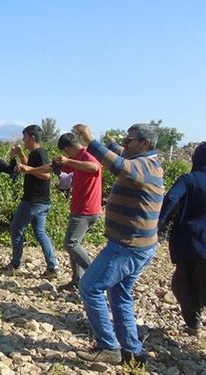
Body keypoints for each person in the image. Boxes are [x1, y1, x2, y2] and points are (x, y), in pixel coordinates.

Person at [73, 123, 164, 365]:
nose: (125, 144)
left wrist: (91, 140)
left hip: (128, 246)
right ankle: (133, 352)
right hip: (139, 245)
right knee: (120, 294)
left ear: (145, 143)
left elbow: (120, 165)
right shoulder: (146, 161)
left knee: (90, 287)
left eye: (130, 140)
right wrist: (112, 143)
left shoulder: (144, 166)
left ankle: (108, 346)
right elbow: (122, 157)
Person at [24, 133, 103, 290]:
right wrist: (31, 170)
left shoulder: (86, 155)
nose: (66, 156)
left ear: (68, 148)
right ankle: (77, 280)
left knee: (71, 243)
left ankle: (97, 276)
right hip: (80, 208)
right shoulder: (77, 158)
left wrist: (69, 161)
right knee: (74, 243)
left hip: (86, 209)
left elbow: (95, 167)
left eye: (66, 152)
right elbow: (53, 168)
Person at [158, 142, 206, 338]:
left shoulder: (189, 179)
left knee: (182, 283)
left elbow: (170, 199)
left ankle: (194, 324)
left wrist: (156, 224)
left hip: (190, 241)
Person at [0, 124, 59, 278]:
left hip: (33, 201)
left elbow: (46, 175)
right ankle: (52, 267)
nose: (23, 139)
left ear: (32, 137)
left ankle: (15, 265)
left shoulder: (39, 153)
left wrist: (29, 170)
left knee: (16, 229)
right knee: (40, 232)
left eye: (25, 136)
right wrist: (21, 155)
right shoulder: (35, 154)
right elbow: (31, 167)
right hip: (42, 201)